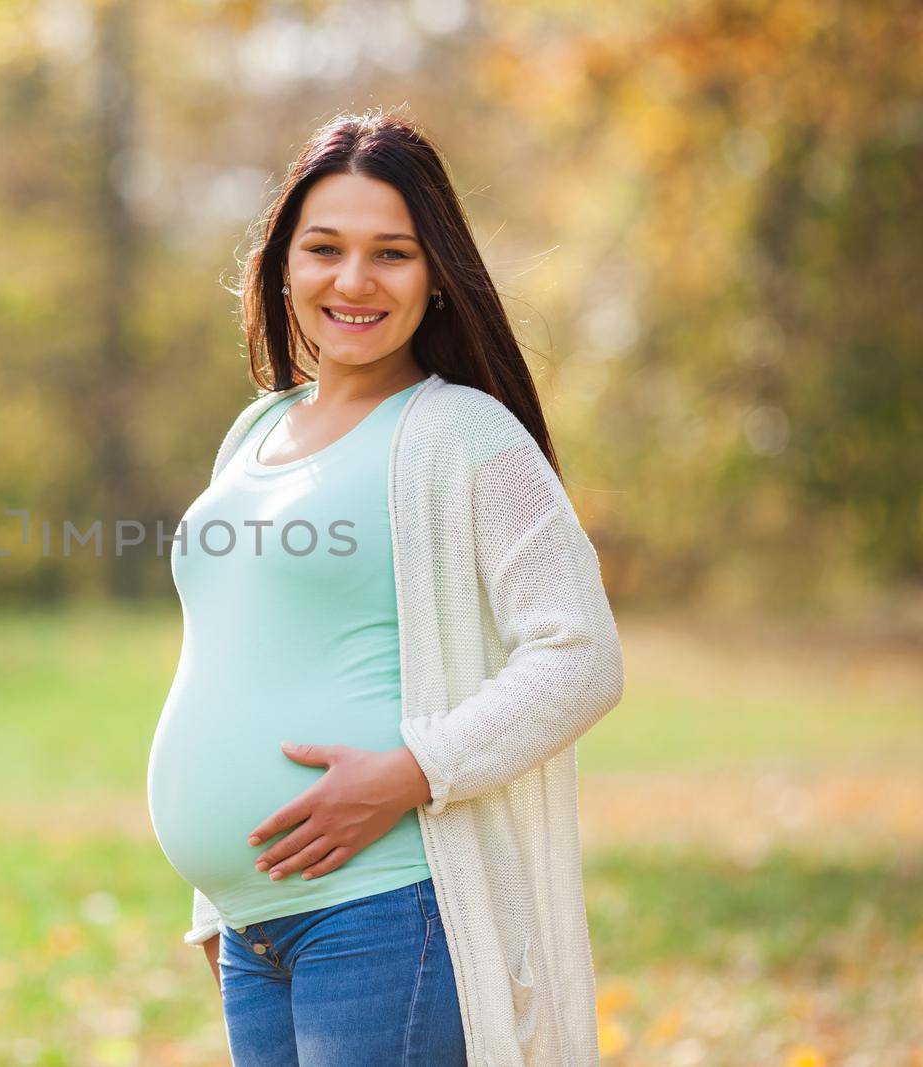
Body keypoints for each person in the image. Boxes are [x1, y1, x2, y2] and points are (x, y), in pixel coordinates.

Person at [144, 106, 625, 1067]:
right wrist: (221, 899)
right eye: (325, 247)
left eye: (391, 254)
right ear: (282, 262)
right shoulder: (254, 431)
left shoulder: (463, 435)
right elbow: (238, 661)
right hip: (258, 932)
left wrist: (409, 773)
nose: (353, 281)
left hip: (384, 909)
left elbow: (581, 656)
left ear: (436, 275)